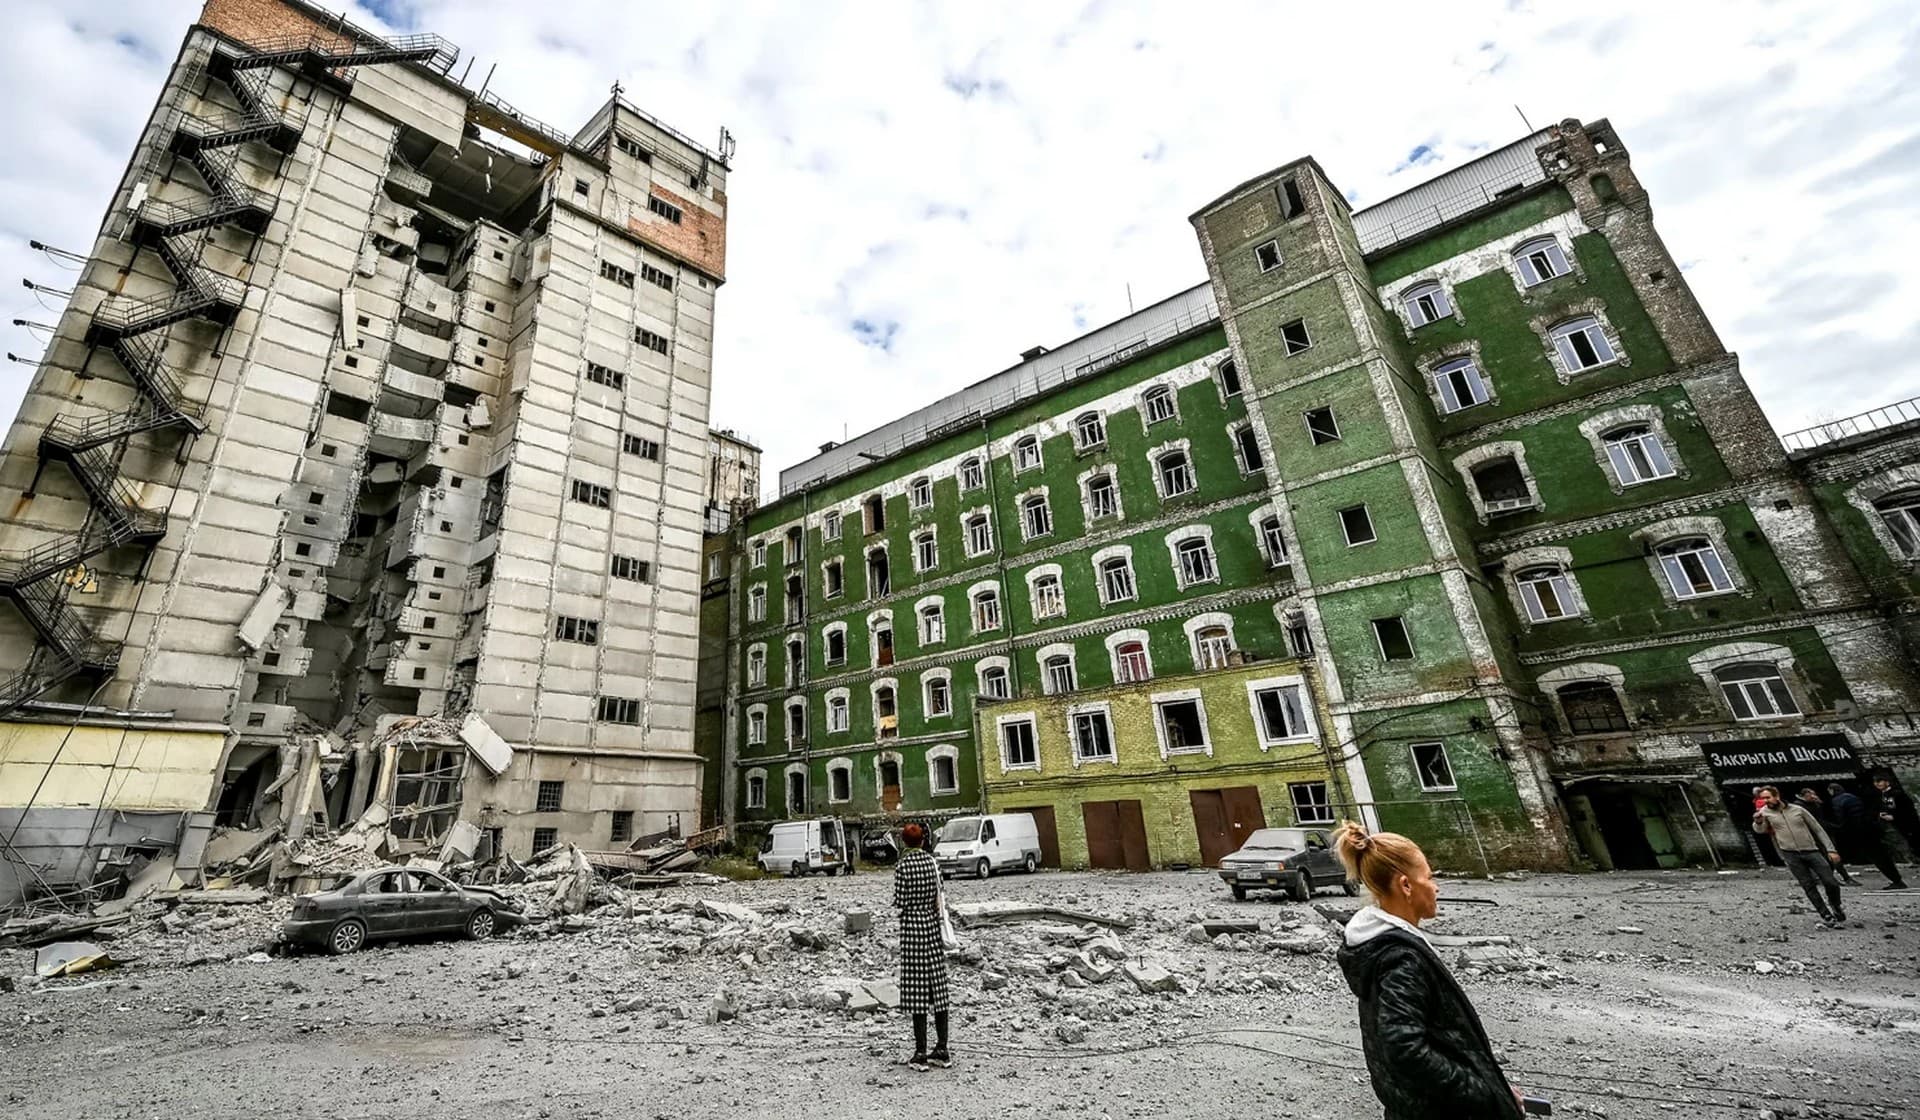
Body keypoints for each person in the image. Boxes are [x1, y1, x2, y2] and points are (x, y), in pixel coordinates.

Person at [1333, 821, 1526, 1120]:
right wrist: (1484, 1096)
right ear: (1406, 885)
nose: (1435, 886)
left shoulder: (1379, 947)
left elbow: (1438, 1039)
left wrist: (1495, 1086)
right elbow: (1404, 1048)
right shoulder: (1401, 958)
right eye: (1429, 877)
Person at [891, 822, 950, 1071]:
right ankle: (943, 1049)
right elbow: (941, 891)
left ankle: (920, 1051)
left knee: (917, 989)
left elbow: (900, 900)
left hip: (913, 929)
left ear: (904, 842)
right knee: (938, 986)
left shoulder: (903, 866)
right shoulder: (933, 864)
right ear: (924, 841)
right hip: (932, 927)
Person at [1752, 785, 1847, 927]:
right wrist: (1758, 822)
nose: (1766, 801)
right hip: (1790, 853)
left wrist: (1831, 850)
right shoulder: (1765, 813)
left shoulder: (1798, 810)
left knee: (1830, 881)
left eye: (1768, 797)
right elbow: (1761, 830)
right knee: (1808, 885)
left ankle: (1835, 905)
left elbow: (1818, 829)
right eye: (1763, 798)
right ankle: (1825, 914)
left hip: (1811, 850)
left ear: (1776, 796)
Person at [1830, 782, 1907, 889]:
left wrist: (1840, 830)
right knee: (1881, 855)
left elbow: (1842, 818)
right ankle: (1896, 879)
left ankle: (1897, 881)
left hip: (1858, 832)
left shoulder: (1837, 801)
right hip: (1870, 829)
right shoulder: (1853, 797)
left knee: (1875, 856)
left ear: (1832, 791)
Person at [1796, 788, 1859, 885]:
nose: (1814, 796)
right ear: (1805, 795)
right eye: (1811, 794)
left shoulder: (1813, 804)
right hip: (1813, 834)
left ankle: (1837, 877)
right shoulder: (1799, 806)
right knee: (1827, 856)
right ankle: (1838, 878)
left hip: (1822, 831)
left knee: (1831, 855)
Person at [1872, 774, 1920, 866]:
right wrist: (1883, 813)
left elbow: (1907, 809)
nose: (1877, 784)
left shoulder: (1897, 794)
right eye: (1875, 782)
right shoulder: (1882, 794)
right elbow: (1886, 807)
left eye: (1879, 781)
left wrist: (1895, 816)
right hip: (1894, 823)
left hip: (1906, 823)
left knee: (1912, 840)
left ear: (1887, 782)